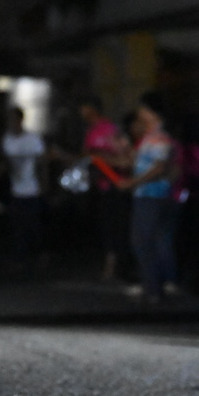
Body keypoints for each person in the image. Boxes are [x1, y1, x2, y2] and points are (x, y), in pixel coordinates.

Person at [116, 92, 180, 303]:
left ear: (153, 113)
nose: (140, 113)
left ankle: (152, 289)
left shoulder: (158, 137)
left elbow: (159, 168)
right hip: (153, 195)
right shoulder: (151, 136)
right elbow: (137, 162)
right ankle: (157, 285)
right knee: (156, 240)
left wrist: (132, 182)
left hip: (151, 195)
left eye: (143, 109)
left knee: (142, 241)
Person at [79, 96, 132, 281]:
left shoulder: (109, 129)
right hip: (99, 185)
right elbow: (86, 156)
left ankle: (115, 266)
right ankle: (109, 264)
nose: (81, 113)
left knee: (115, 227)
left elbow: (124, 157)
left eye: (84, 108)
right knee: (104, 226)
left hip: (115, 184)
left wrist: (103, 159)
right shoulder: (90, 131)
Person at [0, 106, 46, 272]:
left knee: (33, 225)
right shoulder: (7, 140)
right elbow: (6, 163)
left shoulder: (33, 139)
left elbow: (42, 164)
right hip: (16, 190)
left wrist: (45, 186)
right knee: (17, 226)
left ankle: (39, 256)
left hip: (33, 189)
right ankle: (20, 258)